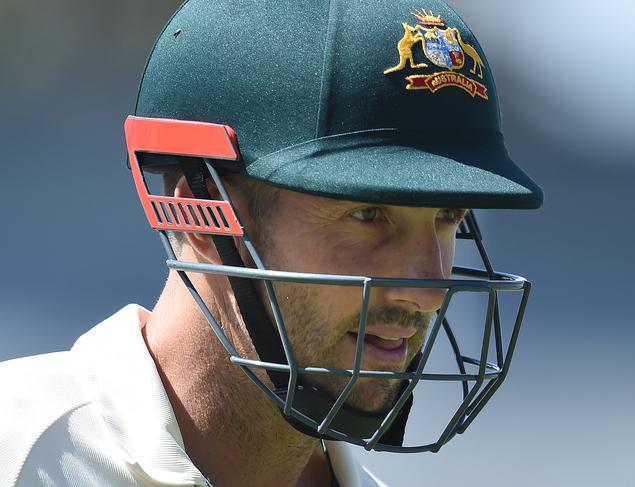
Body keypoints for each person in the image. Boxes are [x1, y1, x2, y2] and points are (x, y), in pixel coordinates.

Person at [0, 0, 543, 486]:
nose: (428, 291)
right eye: (368, 213)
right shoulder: (18, 452)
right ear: (203, 213)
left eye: (448, 218)